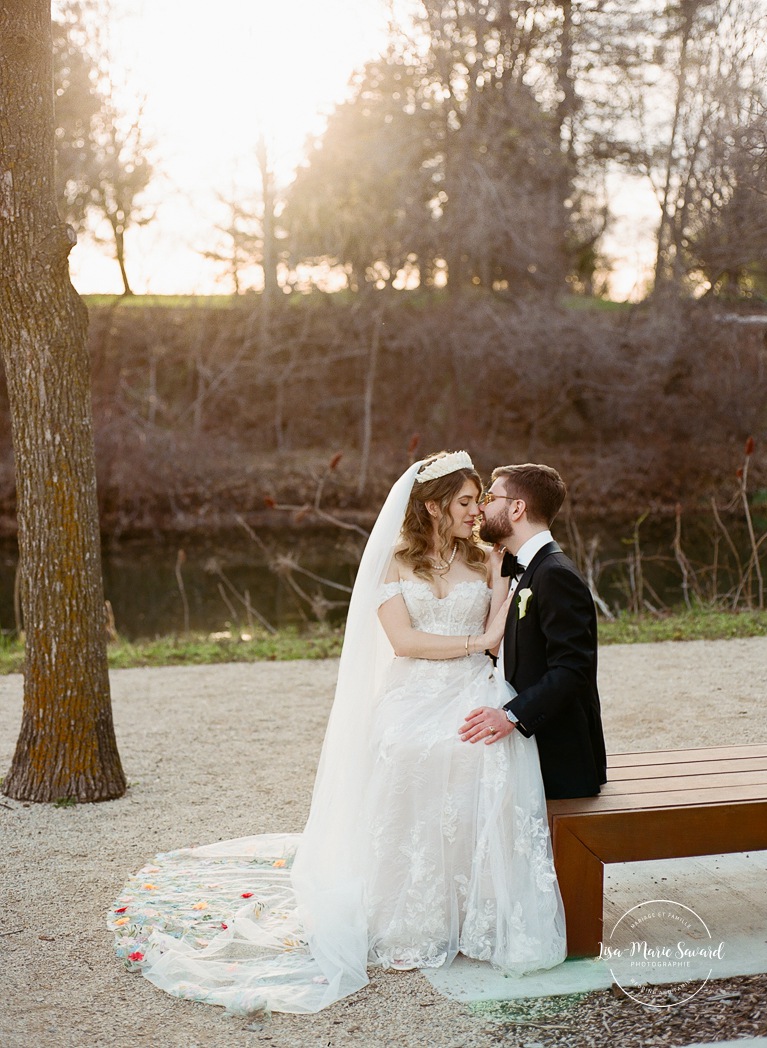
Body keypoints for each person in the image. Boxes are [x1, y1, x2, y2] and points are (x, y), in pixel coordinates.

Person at [108, 452, 566, 1016]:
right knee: (402, 746)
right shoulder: (393, 565)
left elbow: (501, 632)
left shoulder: (492, 559)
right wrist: (475, 643)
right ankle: (410, 912)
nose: (476, 512)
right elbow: (404, 642)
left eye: (480, 501)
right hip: (416, 685)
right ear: (433, 506)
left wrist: (483, 648)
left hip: (472, 685)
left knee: (476, 750)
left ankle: (476, 910)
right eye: (465, 502)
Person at [459, 463, 607, 800]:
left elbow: (572, 670)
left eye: (490, 497)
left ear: (516, 508)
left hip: (556, 756)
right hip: (527, 753)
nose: (481, 507)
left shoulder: (555, 575)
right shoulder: (524, 567)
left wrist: (510, 715)